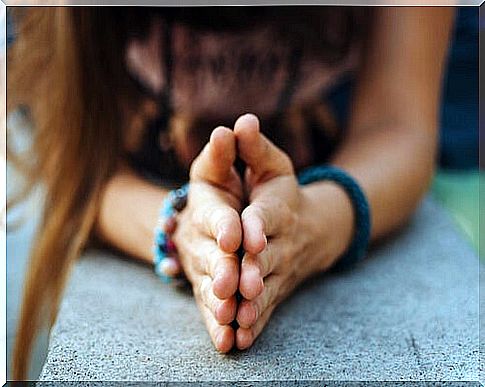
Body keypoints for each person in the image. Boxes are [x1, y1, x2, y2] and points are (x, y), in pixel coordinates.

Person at [7, 7, 454, 379]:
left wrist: (316, 223)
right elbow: (74, 162)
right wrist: (180, 229)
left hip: (330, 154)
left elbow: (399, 124)